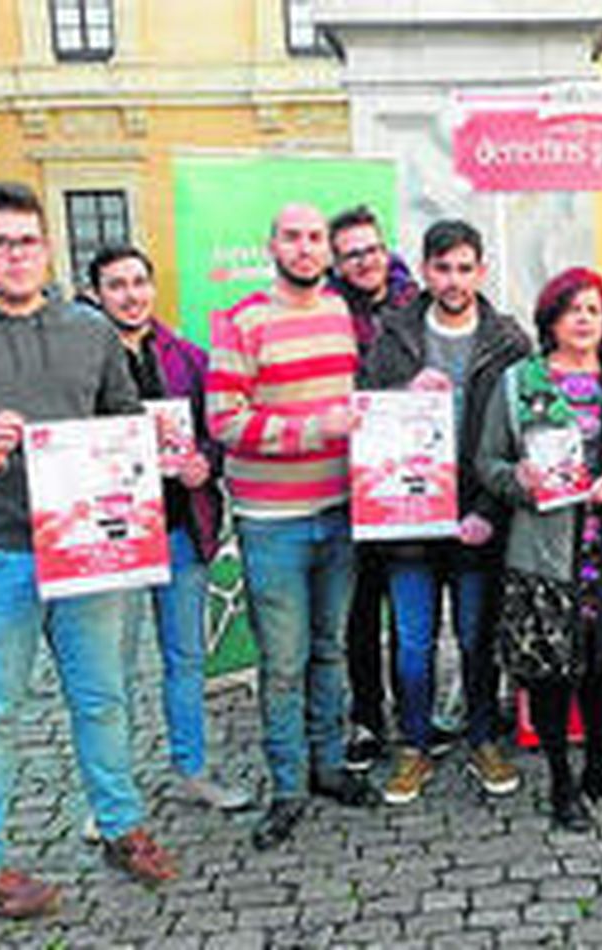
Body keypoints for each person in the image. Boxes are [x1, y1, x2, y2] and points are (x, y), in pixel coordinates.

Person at [0, 182, 177, 918]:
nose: (16, 255)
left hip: (84, 551)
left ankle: (120, 827)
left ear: (48, 247)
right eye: (0, 242)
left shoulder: (88, 328)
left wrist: (152, 441)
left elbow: (120, 417)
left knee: (104, 697)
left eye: (28, 241)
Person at [476, 268, 602, 830]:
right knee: (551, 673)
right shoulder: (519, 382)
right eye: (572, 309)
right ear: (551, 319)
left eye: (594, 309)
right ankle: (563, 781)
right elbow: (487, 462)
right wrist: (521, 481)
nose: (584, 319)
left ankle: (598, 768)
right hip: (543, 552)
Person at [207, 203, 379, 851]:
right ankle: (286, 787)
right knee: (282, 663)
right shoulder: (240, 320)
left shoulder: (339, 313)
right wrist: (313, 430)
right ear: (271, 244)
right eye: (292, 238)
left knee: (331, 647)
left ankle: (329, 766)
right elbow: (225, 419)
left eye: (315, 239)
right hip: (271, 519)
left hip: (339, 510)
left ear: (328, 252)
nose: (305, 249)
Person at [358, 220, 531, 806]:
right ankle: (414, 744)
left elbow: (520, 437)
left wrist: (488, 508)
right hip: (410, 519)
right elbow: (368, 420)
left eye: (464, 268)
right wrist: (403, 395)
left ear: (480, 270)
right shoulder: (392, 337)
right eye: (442, 268)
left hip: (478, 522)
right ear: (425, 271)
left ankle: (483, 737)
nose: (454, 280)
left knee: (479, 638)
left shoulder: (509, 341)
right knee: (411, 642)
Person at [89, 245, 253, 812]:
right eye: (116, 285)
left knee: (184, 659)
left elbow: (220, 426)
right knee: (110, 671)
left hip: (183, 529)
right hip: (114, 538)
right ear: (97, 293)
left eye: (138, 282)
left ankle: (191, 769)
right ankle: (111, 796)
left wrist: (207, 459)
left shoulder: (187, 356)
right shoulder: (81, 360)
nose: (130, 294)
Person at [329, 205, 420, 772]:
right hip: (350, 479)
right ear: (338, 263)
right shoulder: (329, 312)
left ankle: (416, 715)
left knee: (413, 609)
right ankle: (367, 716)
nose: (364, 261)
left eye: (371, 248)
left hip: (413, 475)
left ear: (385, 248)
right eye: (351, 254)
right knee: (361, 611)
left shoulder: (418, 304)